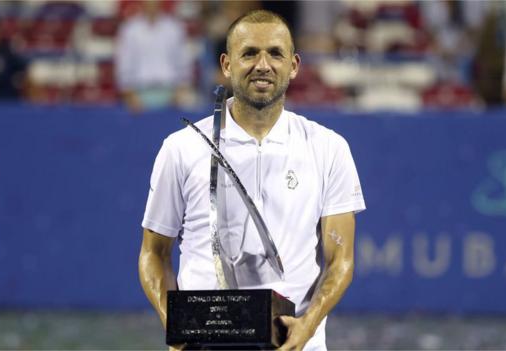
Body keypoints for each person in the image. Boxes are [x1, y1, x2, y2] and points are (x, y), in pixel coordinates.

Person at [139, 9, 366, 351]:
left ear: (294, 65)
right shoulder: (181, 148)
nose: (263, 65)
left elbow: (341, 259)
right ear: (227, 65)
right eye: (249, 53)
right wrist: (175, 325)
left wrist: (307, 326)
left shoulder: (328, 148)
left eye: (275, 53)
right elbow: (153, 253)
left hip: (294, 344)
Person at [115, 0, 195, 112]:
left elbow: (183, 62)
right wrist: (130, 94)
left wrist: (180, 91)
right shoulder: (130, 29)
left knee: (190, 104)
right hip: (139, 92)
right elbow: (124, 64)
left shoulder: (174, 28)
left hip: (171, 92)